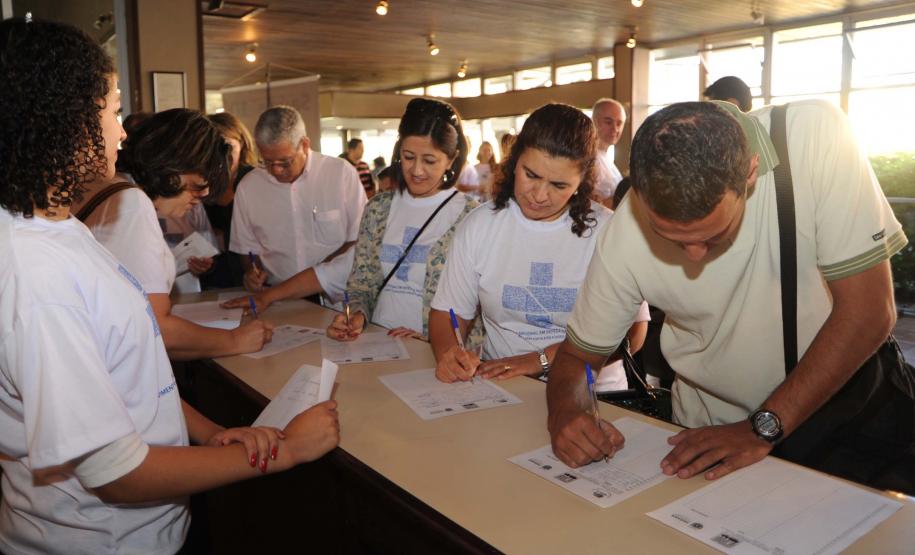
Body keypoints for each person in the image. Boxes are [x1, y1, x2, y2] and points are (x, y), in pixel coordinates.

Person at [0, 17, 339, 554]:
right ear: (64, 121)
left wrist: (207, 433)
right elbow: (116, 472)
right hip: (98, 540)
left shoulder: (60, 229)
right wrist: (285, 452)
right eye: (111, 111)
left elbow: (122, 375)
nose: (122, 131)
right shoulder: (39, 276)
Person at [546, 100, 914, 492]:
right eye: (672, 239)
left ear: (750, 173)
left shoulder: (811, 138)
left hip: (843, 417)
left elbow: (870, 311)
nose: (694, 257)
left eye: (713, 236)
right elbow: (580, 359)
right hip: (709, 437)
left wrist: (763, 426)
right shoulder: (623, 235)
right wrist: (567, 408)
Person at [430, 103, 648, 383]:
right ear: (514, 160)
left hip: (595, 392)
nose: (539, 195)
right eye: (530, 175)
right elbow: (448, 314)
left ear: (582, 181)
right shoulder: (480, 225)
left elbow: (633, 333)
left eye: (559, 185)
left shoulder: (609, 231)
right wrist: (449, 353)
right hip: (504, 386)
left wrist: (540, 360)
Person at [71, 108, 274, 360]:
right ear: (175, 167)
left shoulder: (108, 187)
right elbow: (155, 327)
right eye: (198, 187)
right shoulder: (133, 204)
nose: (198, 199)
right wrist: (235, 339)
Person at [326, 97, 479, 341]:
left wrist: (434, 341)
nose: (416, 170)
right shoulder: (378, 208)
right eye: (408, 157)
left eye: (429, 161)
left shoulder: (471, 216)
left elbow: (478, 305)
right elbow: (362, 284)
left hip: (439, 358)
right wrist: (356, 315)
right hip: (376, 342)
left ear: (451, 159)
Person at [229, 106, 367, 300]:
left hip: (333, 296)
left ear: (304, 144)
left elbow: (359, 238)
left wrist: (317, 277)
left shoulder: (340, 173)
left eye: (285, 162)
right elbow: (246, 247)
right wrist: (252, 272)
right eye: (267, 162)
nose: (276, 170)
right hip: (276, 297)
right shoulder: (249, 187)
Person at [203, 111, 259, 288]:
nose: (223, 154)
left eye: (228, 145)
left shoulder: (254, 180)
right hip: (214, 274)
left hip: (252, 271)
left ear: (241, 144)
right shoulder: (202, 181)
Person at [591, 98, 626, 205]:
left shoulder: (605, 157)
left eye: (619, 123)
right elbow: (591, 203)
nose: (615, 129)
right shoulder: (589, 159)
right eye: (608, 122)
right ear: (595, 122)